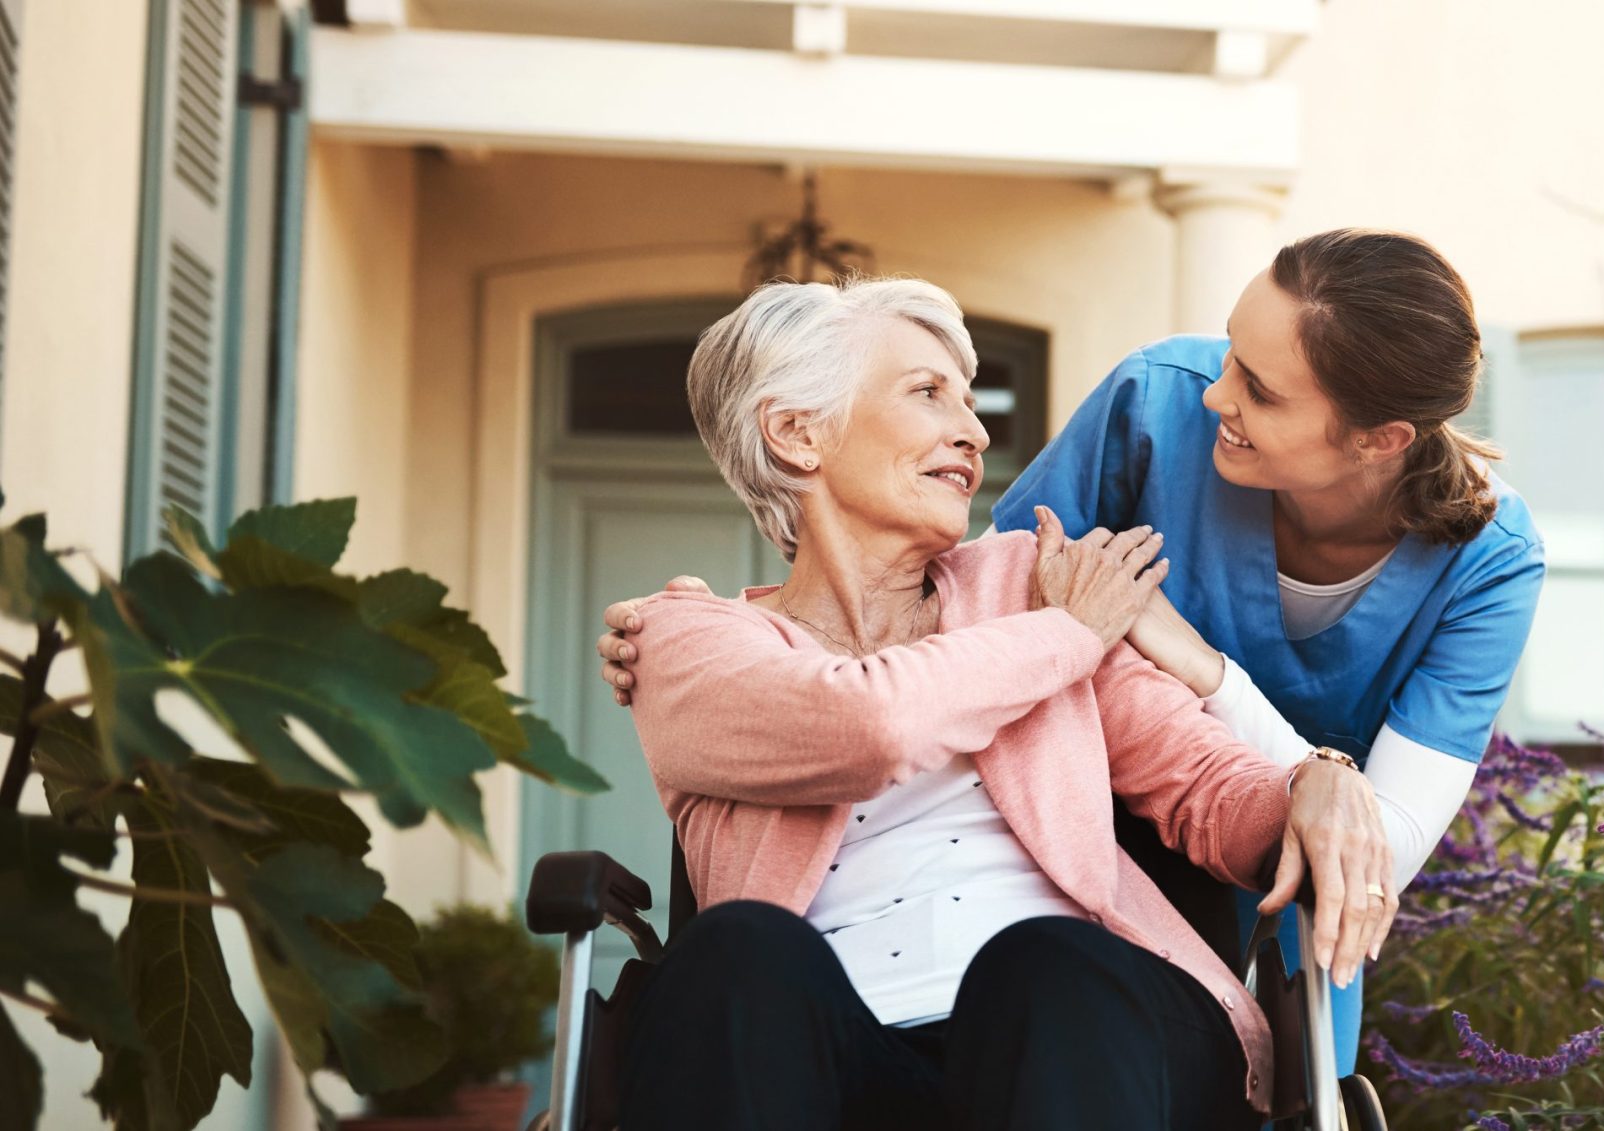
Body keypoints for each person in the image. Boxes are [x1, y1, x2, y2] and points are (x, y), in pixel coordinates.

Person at [602, 228, 1546, 1070]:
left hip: (1062, 1012)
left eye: (970, 401)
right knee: (732, 958)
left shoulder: (1022, 586)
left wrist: (1317, 784)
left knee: (1049, 964)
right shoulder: (687, 638)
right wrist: (1070, 631)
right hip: (825, 1034)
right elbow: (871, 719)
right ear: (798, 433)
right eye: (930, 393)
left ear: (1378, 440)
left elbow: (1204, 780)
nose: (975, 431)